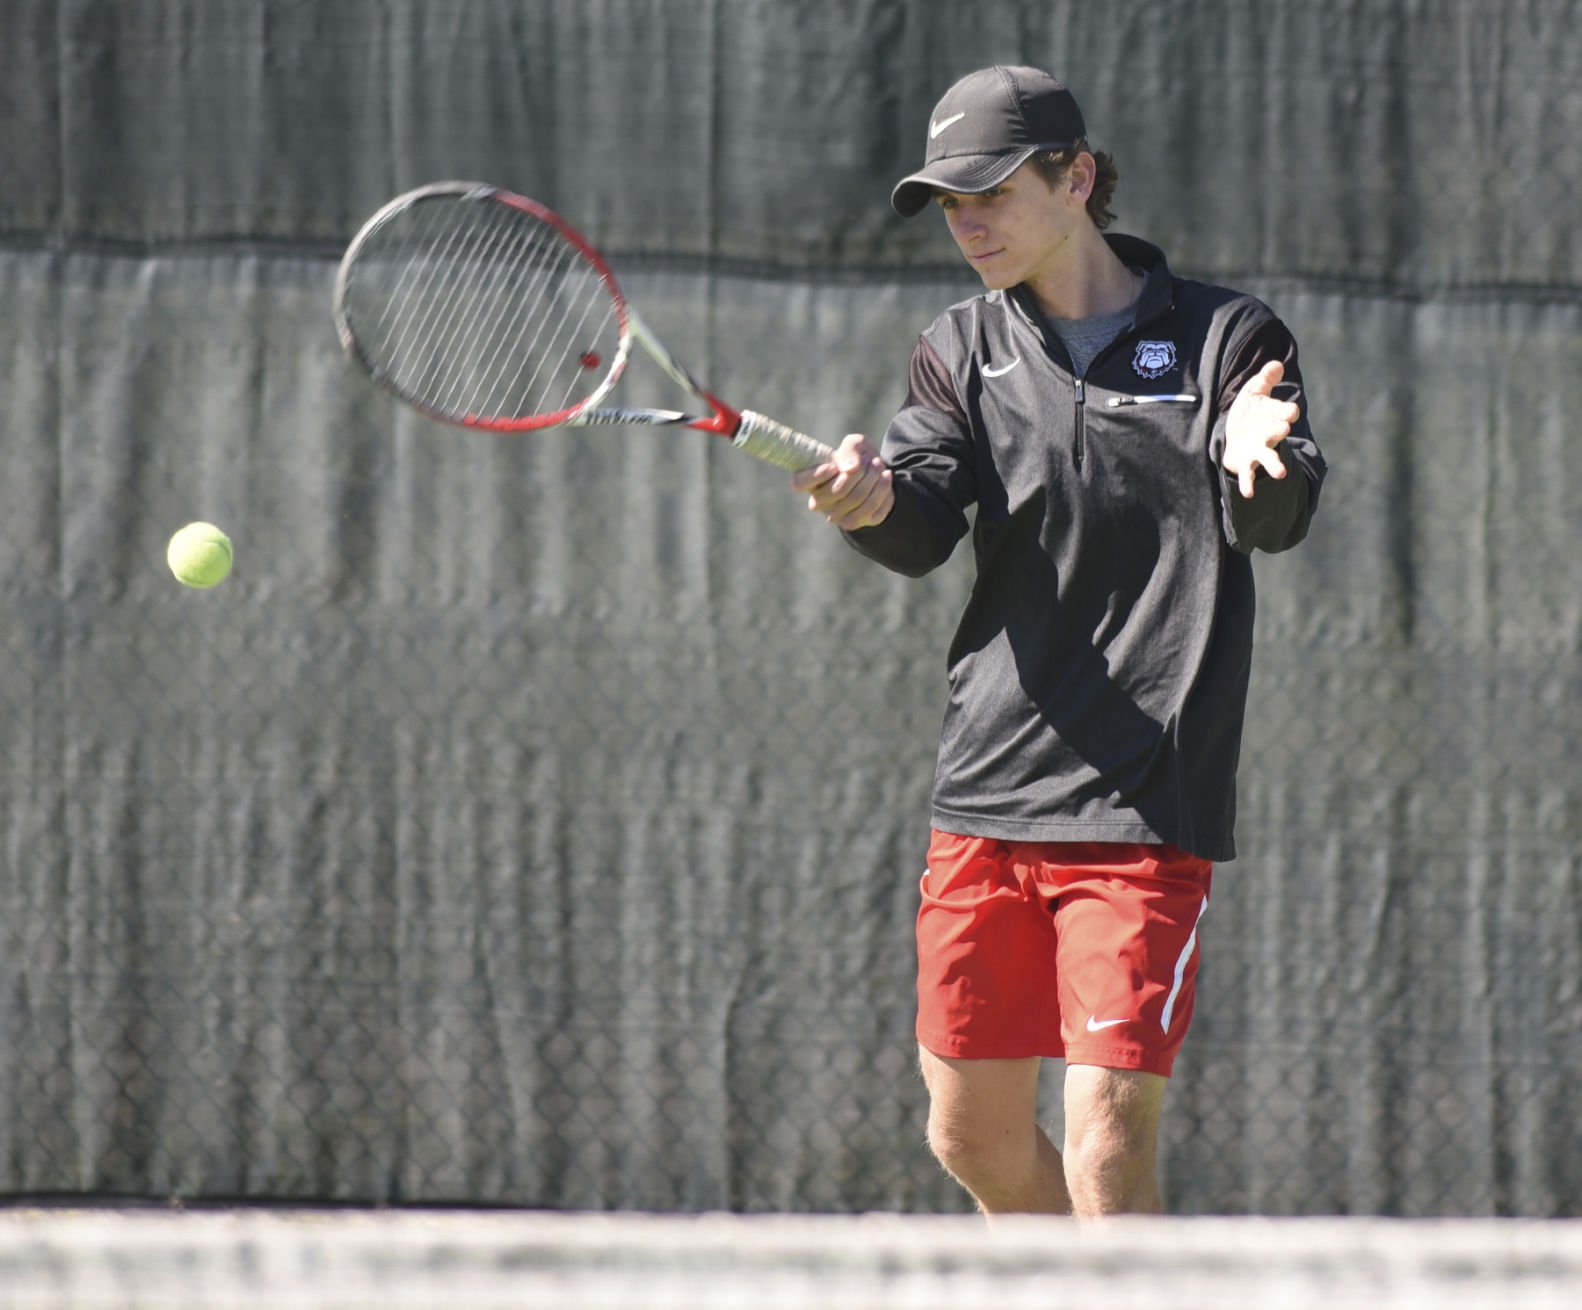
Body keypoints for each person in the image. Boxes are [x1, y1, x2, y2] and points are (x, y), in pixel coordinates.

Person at [792, 65, 1327, 1218]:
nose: (967, 222)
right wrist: (870, 503)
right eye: (948, 202)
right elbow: (924, 520)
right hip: (985, 791)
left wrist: (1261, 452)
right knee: (970, 1134)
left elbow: (1269, 518)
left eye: (988, 191)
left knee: (1103, 1146)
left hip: (1143, 805)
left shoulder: (1228, 337)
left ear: (1074, 178)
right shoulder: (956, 347)